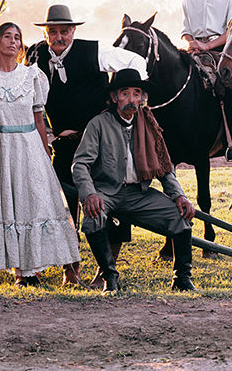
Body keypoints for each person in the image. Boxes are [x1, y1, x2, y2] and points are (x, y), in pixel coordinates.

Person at [27, 3, 148, 285]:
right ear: (46, 34)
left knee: (112, 204)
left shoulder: (94, 50)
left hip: (102, 144)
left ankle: (106, 271)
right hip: (64, 145)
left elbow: (136, 64)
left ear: (73, 31)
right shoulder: (37, 55)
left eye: (65, 31)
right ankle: (71, 270)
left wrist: (123, 97)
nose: (59, 37)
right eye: (53, 32)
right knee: (63, 207)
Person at [72, 69, 197, 293]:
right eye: (125, 93)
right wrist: (89, 193)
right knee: (93, 218)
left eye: (137, 94)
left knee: (180, 216)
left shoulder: (148, 124)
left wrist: (179, 196)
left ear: (142, 98)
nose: (132, 99)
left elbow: (165, 167)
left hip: (139, 193)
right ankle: (109, 277)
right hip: (106, 192)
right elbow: (80, 164)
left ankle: (182, 279)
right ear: (113, 97)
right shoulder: (98, 124)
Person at [0, 22, 80, 286]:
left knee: (35, 202)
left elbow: (39, 118)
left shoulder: (32, 75)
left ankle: (37, 267)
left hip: (29, 145)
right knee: (9, 204)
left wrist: (45, 153)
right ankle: (20, 271)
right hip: (1, 147)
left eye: (17, 37)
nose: (13, 42)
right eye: (7, 37)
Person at [181, 0, 232, 162]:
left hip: (222, 49)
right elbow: (186, 30)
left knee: (230, 87)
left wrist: (208, 46)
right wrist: (193, 44)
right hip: (195, 49)